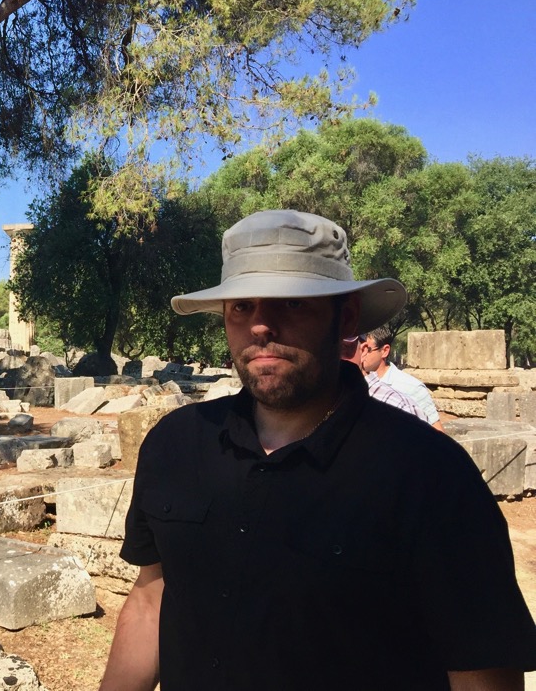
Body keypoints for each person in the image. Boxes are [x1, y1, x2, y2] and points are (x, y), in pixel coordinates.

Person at [99, 209, 536, 691]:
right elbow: (150, 596)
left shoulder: (430, 474)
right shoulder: (174, 444)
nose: (260, 325)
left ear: (345, 317)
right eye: (242, 306)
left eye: (290, 303)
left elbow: (482, 673)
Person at [361, 326, 443, 429]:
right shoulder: (354, 384)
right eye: (359, 348)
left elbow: (437, 433)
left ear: (385, 351)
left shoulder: (412, 387)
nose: (361, 354)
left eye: (367, 350)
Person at [339, 336, 423, 419]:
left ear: (363, 351)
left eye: (343, 348)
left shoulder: (398, 406)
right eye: (326, 348)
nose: (332, 357)